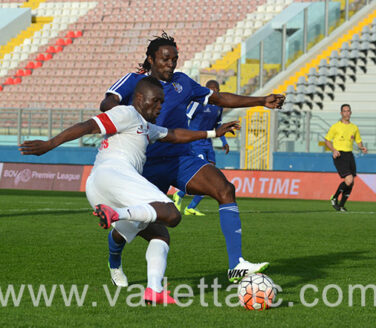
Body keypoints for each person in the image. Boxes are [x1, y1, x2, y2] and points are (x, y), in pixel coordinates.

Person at [19, 76, 239, 304]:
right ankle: (118, 215)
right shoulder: (125, 113)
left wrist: (213, 134)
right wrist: (49, 144)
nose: (159, 107)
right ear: (140, 98)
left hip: (98, 188)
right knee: (171, 214)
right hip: (114, 175)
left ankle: (150, 287)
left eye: (162, 103)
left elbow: (174, 135)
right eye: (155, 102)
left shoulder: (145, 126)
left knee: (160, 235)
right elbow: (88, 126)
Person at [100, 32, 285, 284]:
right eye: (165, 59)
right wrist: (132, 118)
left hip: (180, 159)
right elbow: (107, 104)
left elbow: (219, 98)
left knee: (225, 189)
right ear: (151, 59)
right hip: (144, 164)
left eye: (174, 59)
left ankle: (236, 265)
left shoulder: (183, 83)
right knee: (134, 226)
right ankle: (115, 260)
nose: (171, 64)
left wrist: (261, 100)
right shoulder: (134, 82)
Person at [173, 80, 229, 216]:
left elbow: (218, 124)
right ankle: (185, 200)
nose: (214, 92)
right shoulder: (197, 103)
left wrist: (224, 141)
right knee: (205, 177)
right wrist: (185, 138)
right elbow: (186, 118)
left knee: (212, 174)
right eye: (211, 89)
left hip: (208, 144)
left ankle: (186, 203)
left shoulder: (219, 106)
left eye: (216, 89)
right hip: (195, 143)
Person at [324, 104, 367, 212]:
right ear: (341, 113)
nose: (347, 113)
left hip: (349, 155)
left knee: (351, 182)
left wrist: (362, 147)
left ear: (350, 113)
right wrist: (334, 150)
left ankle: (341, 205)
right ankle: (334, 198)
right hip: (339, 155)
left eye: (348, 111)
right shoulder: (335, 126)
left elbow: (358, 141)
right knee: (349, 179)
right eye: (344, 111)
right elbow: (327, 140)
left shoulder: (354, 127)